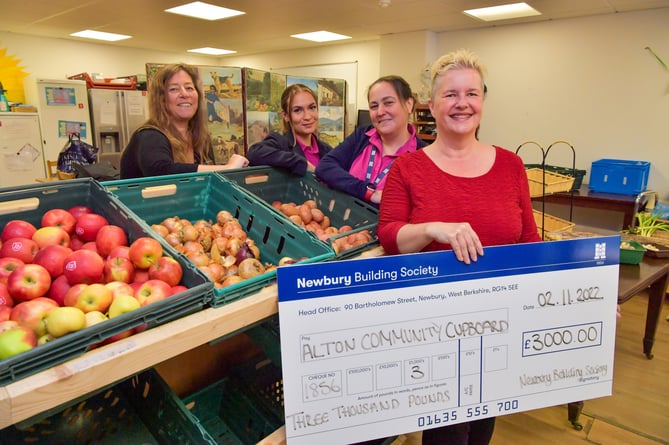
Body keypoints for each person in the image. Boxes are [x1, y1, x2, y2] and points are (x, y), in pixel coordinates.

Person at [377, 49, 541, 444]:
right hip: (437, 328)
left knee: (483, 424)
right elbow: (390, 235)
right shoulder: (408, 168)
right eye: (450, 95)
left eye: (472, 93)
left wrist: (584, 298)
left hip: (498, 323)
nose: (462, 103)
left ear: (482, 101)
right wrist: (435, 228)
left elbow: (530, 241)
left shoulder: (510, 165)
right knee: (447, 433)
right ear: (431, 106)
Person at [120, 63, 247, 179]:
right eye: (173, 89)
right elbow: (161, 171)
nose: (184, 94)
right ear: (161, 99)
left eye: (189, 88)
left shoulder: (201, 137)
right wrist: (226, 169)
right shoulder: (149, 135)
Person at [315, 75, 427, 207]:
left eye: (388, 103)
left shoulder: (423, 156)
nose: (380, 112)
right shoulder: (362, 136)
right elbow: (325, 167)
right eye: (374, 106)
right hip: (342, 224)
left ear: (409, 104)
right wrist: (368, 192)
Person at [247, 84, 332, 176]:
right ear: (285, 116)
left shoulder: (326, 150)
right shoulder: (281, 143)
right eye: (297, 110)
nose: (307, 116)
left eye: (312, 108)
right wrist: (301, 163)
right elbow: (254, 153)